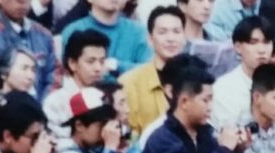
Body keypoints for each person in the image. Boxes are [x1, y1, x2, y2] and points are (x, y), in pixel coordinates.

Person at [137, 65, 248, 153]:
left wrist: (235, 152)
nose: (211, 107)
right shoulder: (162, 140)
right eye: (205, 100)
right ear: (184, 102)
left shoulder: (206, 136)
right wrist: (225, 150)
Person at [121, 5, 186, 134]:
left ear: (184, 37)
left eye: (176, 31)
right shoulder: (129, 82)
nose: (170, 39)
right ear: (150, 39)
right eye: (163, 32)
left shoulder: (196, 78)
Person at [0, 0, 57, 101]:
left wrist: (42, 107)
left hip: (44, 108)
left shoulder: (44, 35)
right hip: (5, 110)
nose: (22, 1)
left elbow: (55, 76)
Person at [53, 87, 126, 153]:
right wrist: (110, 147)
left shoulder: (90, 150)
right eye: (101, 125)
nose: (105, 131)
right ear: (79, 126)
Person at [59, 0, 152, 77]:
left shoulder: (139, 31)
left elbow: (151, 71)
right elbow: (69, 75)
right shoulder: (73, 30)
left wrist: (117, 65)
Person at [210, 15, 273, 127]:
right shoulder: (224, 88)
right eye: (253, 43)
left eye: (266, 42)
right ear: (238, 47)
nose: (262, 50)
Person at [179, 0, 239, 76]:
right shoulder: (174, 44)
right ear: (183, 5)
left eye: (211, 1)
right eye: (199, 1)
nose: (207, 6)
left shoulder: (219, 43)